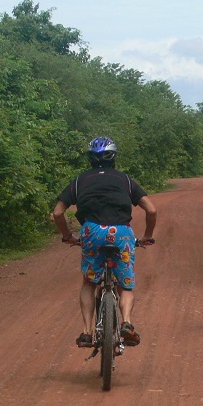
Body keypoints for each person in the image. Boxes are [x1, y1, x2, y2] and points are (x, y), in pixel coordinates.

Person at [52, 137, 157, 349]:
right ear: (114, 157)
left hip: (92, 232)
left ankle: (86, 332)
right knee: (125, 284)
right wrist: (146, 235)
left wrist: (67, 236)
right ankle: (127, 322)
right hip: (121, 233)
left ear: (90, 159)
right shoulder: (125, 180)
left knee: (89, 282)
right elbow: (151, 209)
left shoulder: (80, 181)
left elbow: (57, 212)